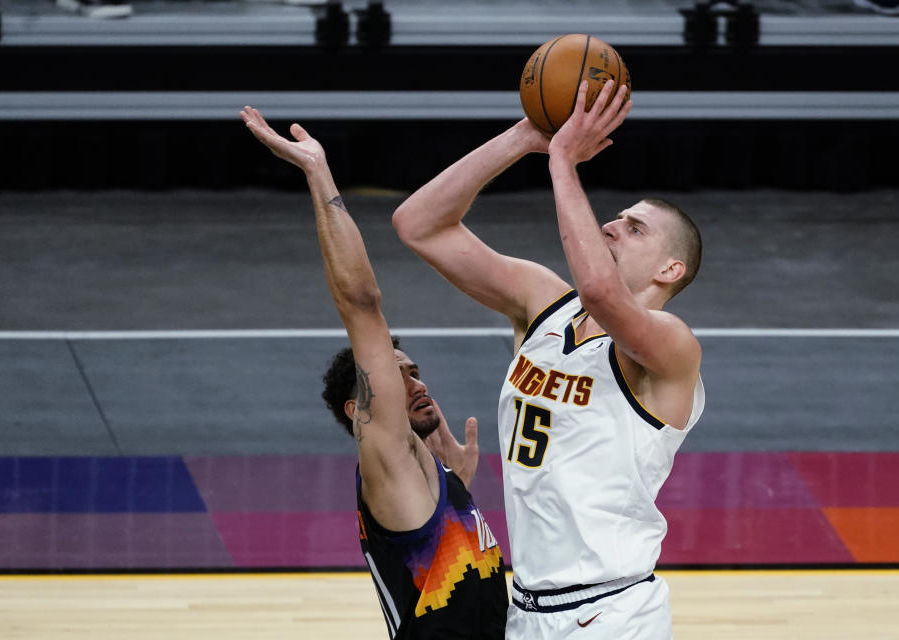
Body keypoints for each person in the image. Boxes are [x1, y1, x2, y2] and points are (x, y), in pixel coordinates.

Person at [392, 80, 705, 638]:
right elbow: (418, 225)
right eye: (616, 217)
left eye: (635, 229)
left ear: (670, 271)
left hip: (614, 612)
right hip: (527, 609)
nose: (612, 225)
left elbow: (602, 294)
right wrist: (524, 138)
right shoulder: (543, 307)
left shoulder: (673, 347)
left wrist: (563, 162)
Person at [240, 106, 507, 639]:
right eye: (397, 373)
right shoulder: (384, 448)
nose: (417, 381)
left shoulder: (416, 471)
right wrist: (319, 174)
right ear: (358, 409)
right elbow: (360, 303)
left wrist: (459, 487)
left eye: (414, 370)